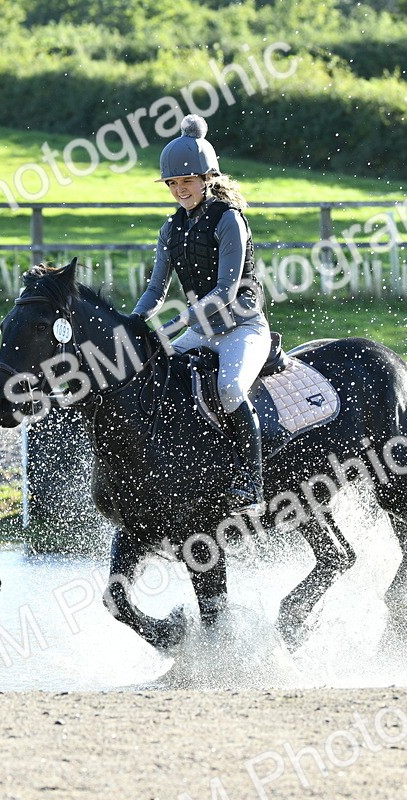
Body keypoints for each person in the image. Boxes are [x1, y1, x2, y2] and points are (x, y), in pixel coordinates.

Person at [131, 114, 270, 515]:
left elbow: (226, 292)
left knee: (229, 389)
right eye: (173, 184)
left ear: (208, 178)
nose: (179, 190)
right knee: (155, 374)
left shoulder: (229, 219)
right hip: (201, 330)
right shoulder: (170, 229)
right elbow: (155, 290)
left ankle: (251, 480)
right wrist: (135, 325)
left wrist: (173, 324)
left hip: (242, 327)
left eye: (186, 182)